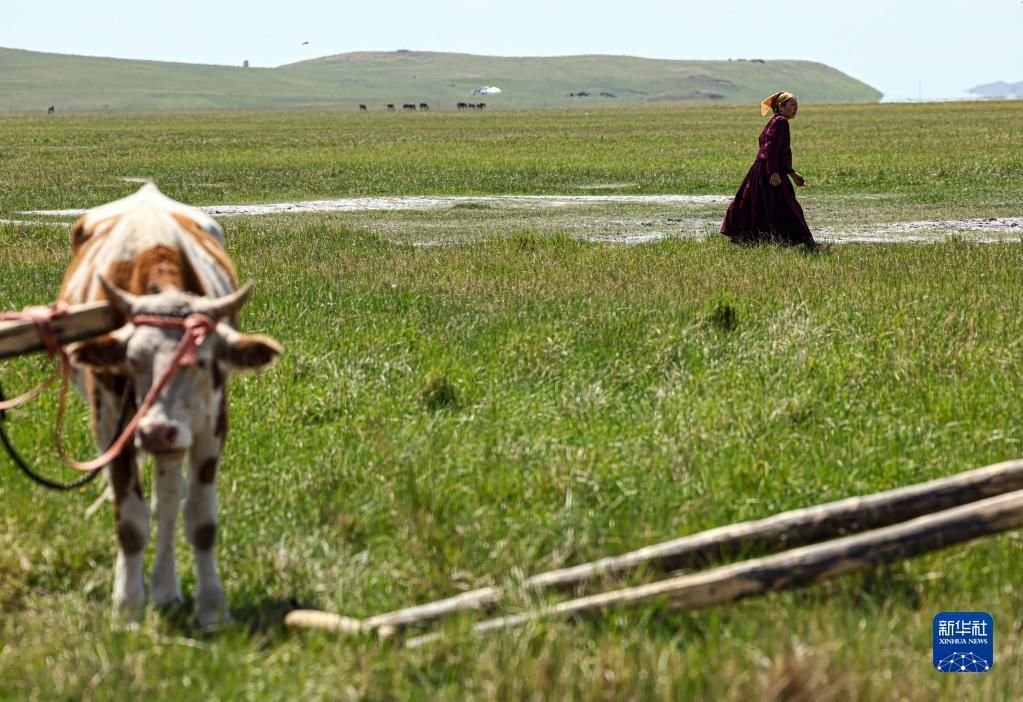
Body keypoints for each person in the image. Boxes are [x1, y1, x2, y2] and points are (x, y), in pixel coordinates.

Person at [721, 91, 814, 245]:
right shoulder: (780, 122)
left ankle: (762, 240)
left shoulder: (776, 120)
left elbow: (778, 151)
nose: (796, 108)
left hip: (766, 168)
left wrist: (791, 173)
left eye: (796, 104)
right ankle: (800, 240)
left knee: (765, 204)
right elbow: (770, 147)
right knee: (784, 204)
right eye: (792, 104)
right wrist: (773, 172)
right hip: (768, 170)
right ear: (781, 106)